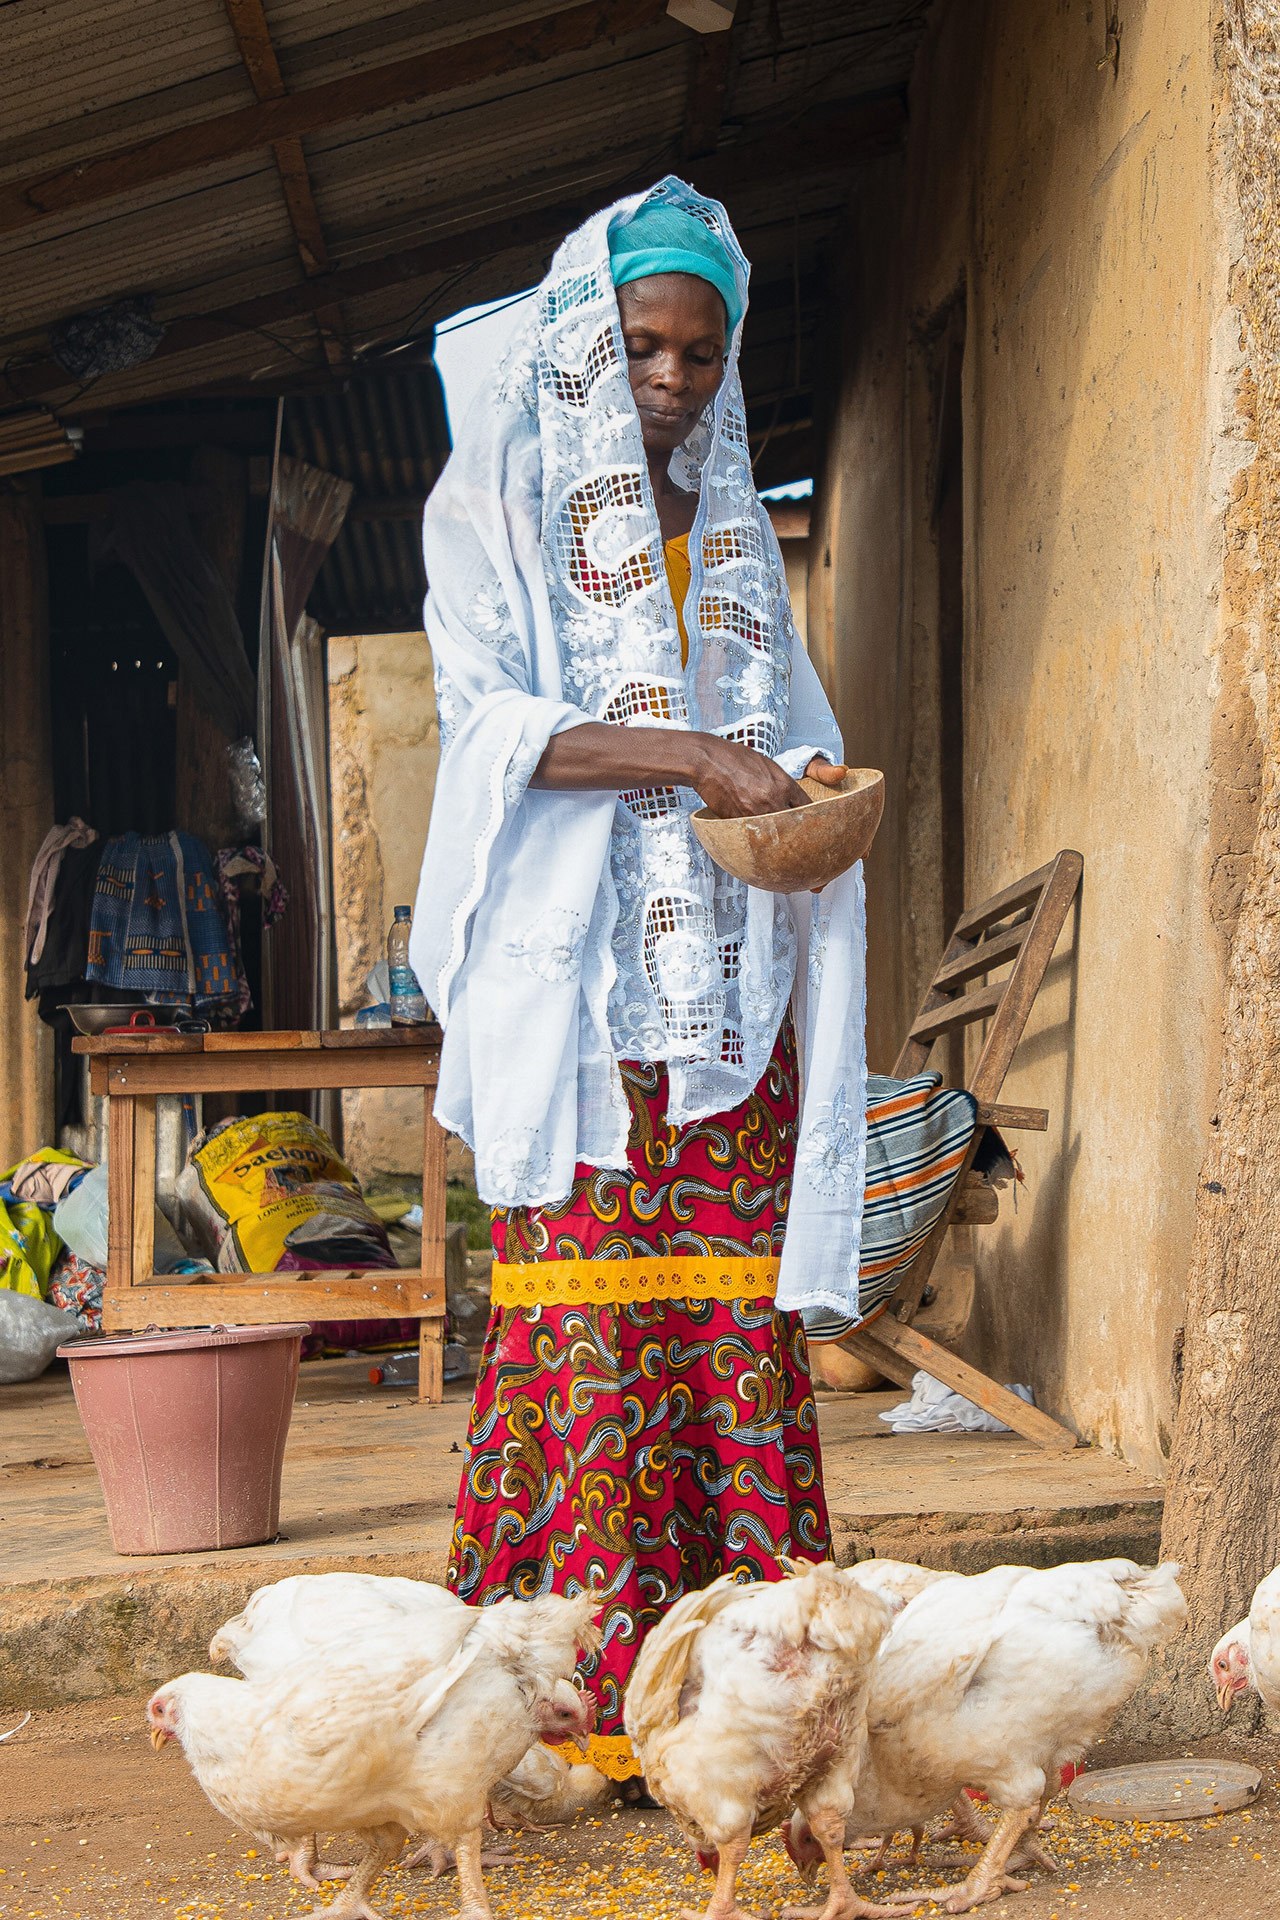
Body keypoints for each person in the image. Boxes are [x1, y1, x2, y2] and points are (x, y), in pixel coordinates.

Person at [412, 178, 875, 1783]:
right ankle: (577, 1718)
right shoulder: (494, 512)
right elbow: (485, 727)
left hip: (729, 1018)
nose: (673, 382)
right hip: (581, 1011)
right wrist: (688, 757)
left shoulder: (737, 533)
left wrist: (795, 770)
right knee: (583, 1345)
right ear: (583, 350)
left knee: (730, 1339)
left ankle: (739, 1724)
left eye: (701, 352)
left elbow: (783, 716)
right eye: (643, 348)